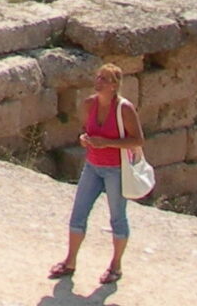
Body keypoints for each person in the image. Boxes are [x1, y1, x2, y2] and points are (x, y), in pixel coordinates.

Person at [53, 61, 142, 285]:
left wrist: (107, 143)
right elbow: (86, 131)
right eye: (98, 77)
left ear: (114, 85)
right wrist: (85, 139)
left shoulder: (124, 109)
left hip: (116, 170)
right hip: (92, 166)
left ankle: (116, 266)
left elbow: (138, 140)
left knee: (117, 218)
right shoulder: (89, 104)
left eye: (104, 79)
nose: (98, 82)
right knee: (78, 213)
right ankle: (70, 261)